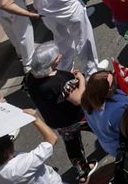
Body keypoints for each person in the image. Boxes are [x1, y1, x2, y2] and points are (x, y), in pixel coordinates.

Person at [19, 44, 92, 181]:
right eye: (57, 57)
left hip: (57, 121)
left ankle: (83, 172)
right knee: (101, 126)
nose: (60, 57)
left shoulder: (29, 78)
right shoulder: (59, 82)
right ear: (51, 63)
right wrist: (81, 80)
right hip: (77, 117)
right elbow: (78, 99)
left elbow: (29, 92)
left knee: (72, 146)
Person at [0, 109, 63, 184]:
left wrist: (1, 109)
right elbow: (52, 138)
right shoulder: (20, 168)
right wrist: (36, 119)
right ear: (7, 151)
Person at [80, 71, 128, 160]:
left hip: (109, 144)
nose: (116, 82)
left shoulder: (88, 100)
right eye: (113, 83)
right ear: (107, 90)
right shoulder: (115, 112)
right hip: (127, 146)